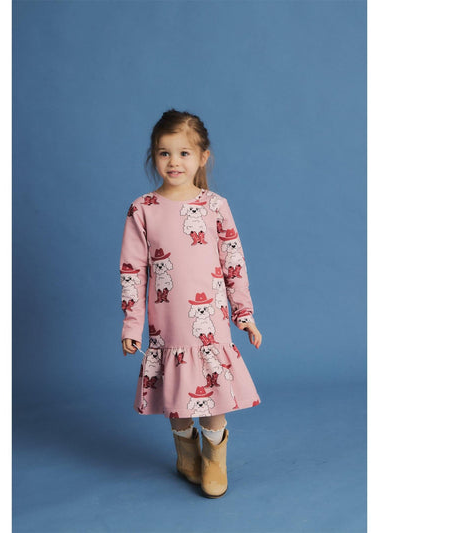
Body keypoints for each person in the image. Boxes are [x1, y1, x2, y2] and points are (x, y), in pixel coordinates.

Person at [119, 108, 262, 498]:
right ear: (154, 156)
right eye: (164, 153)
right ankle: (186, 453)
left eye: (184, 153)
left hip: (211, 321)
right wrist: (131, 325)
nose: (174, 162)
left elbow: (234, 262)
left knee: (212, 390)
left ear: (202, 157)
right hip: (167, 322)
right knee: (176, 389)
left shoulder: (215, 206)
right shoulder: (143, 209)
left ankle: (214, 457)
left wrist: (244, 314)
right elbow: (132, 270)